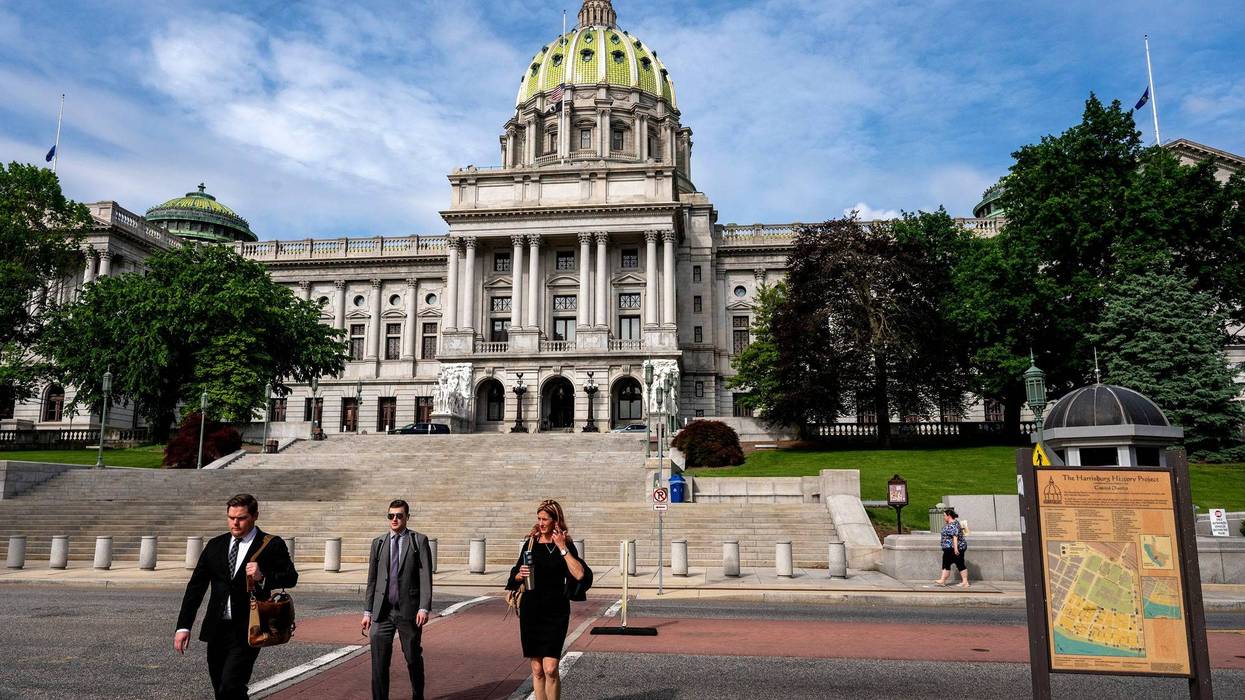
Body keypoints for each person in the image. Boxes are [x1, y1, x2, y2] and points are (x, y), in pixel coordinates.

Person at [174, 493, 298, 700]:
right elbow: (195, 588)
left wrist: (262, 576)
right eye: (231, 518)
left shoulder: (270, 544)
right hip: (217, 627)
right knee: (220, 688)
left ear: (255, 516)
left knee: (231, 685)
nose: (235, 523)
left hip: (249, 628)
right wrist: (183, 626)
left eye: (241, 518)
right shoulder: (216, 545)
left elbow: (291, 577)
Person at [507, 500, 586, 700]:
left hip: (556, 611)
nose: (541, 523)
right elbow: (514, 575)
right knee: (537, 669)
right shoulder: (531, 543)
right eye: (539, 518)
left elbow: (579, 574)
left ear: (555, 520)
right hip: (531, 610)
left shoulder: (565, 543)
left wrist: (562, 547)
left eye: (545, 519)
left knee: (550, 668)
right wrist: (518, 575)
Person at [362, 499, 433, 700]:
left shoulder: (418, 541)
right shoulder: (378, 543)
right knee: (379, 662)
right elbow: (372, 580)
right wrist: (368, 612)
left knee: (412, 657)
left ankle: (418, 695)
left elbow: (425, 576)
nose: (394, 519)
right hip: (382, 612)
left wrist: (424, 607)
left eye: (399, 515)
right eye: (391, 515)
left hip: (408, 611)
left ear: (407, 517)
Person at [935, 508, 969, 588]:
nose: (944, 517)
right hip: (950, 548)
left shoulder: (953, 525)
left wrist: (956, 549)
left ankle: (964, 582)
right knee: (951, 563)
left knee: (956, 564)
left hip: (953, 548)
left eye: (944, 516)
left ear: (949, 516)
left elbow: (955, 537)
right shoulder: (954, 523)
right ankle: (943, 580)